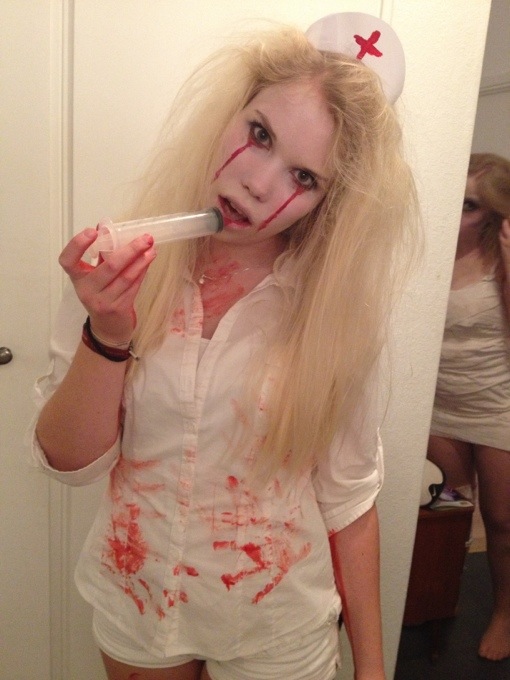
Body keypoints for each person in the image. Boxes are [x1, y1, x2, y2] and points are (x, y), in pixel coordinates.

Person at [30, 15, 416, 680]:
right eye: (259, 134)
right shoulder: (121, 270)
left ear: (328, 203)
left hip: (277, 623)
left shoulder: (333, 315)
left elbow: (349, 503)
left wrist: (373, 669)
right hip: (139, 603)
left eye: (304, 177)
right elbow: (68, 464)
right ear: (229, 113)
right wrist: (108, 336)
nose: (259, 183)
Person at [428, 152, 510, 662]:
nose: (456, 215)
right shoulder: (430, 251)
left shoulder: (501, 257)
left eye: (470, 206)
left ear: (493, 215)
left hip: (497, 405)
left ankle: (505, 612)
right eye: (454, 201)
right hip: (438, 405)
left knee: (501, 521)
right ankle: (438, 597)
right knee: (448, 511)